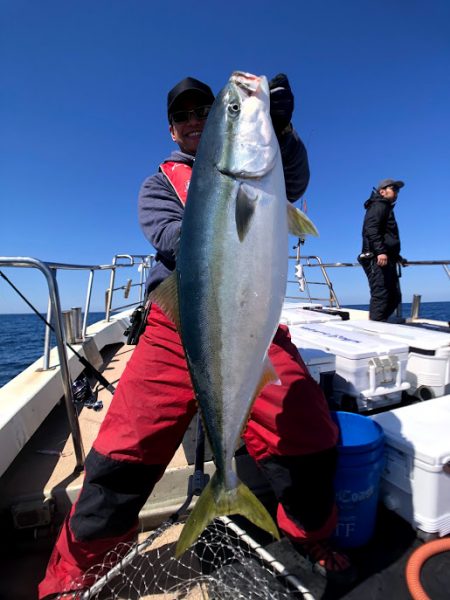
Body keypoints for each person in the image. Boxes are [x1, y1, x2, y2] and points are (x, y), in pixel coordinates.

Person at [39, 74, 354, 599]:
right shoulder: (158, 184)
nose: (192, 122)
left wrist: (283, 130)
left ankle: (310, 535)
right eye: (182, 116)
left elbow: (290, 182)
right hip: (176, 321)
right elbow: (172, 237)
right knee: (121, 452)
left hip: (253, 319)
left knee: (307, 430)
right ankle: (72, 578)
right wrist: (225, 197)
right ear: (172, 129)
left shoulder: (263, 167)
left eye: (201, 112)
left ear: (211, 122)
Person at [358, 178, 406, 321]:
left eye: (398, 190)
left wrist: (396, 256)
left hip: (386, 258)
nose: (397, 192)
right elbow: (371, 229)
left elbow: (387, 236)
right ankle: (374, 331)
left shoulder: (384, 206)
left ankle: (380, 324)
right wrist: (380, 252)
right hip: (375, 258)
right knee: (381, 295)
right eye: (394, 189)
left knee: (394, 296)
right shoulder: (379, 205)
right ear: (382, 191)